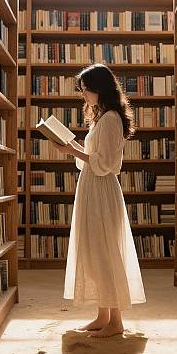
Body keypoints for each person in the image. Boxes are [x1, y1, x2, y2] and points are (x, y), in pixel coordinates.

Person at [52, 63, 146, 338]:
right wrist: (74, 149)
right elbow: (95, 159)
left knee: (105, 252)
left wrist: (72, 150)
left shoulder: (111, 119)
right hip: (93, 187)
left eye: (85, 90)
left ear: (98, 89)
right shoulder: (102, 117)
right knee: (95, 252)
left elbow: (105, 164)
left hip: (102, 188)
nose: (83, 95)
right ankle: (102, 316)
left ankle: (115, 321)